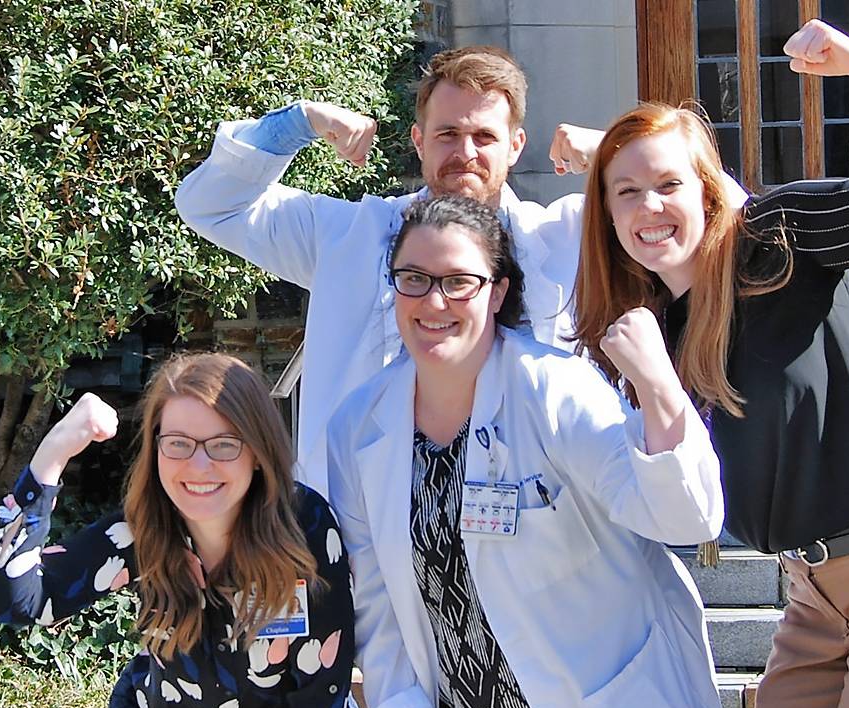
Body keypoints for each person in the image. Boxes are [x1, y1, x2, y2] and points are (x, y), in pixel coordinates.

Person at [572, 19, 849, 708]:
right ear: (603, 214)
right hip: (817, 596)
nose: (648, 207)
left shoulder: (776, 239)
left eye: (667, 184)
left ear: (709, 192)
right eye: (625, 192)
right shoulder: (645, 327)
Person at [327, 195, 725, 708]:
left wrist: (658, 388)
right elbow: (380, 613)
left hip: (610, 698)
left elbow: (685, 518)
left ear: (497, 293)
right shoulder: (358, 428)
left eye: (458, 282)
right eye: (414, 279)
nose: (434, 301)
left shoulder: (555, 390)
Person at [173, 45, 616, 498]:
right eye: (447, 133)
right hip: (369, 525)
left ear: (515, 146)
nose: (465, 152)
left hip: (533, 525)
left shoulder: (566, 239)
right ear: (419, 141)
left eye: (484, 136)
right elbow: (211, 204)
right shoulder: (348, 238)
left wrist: (613, 153)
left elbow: (682, 216)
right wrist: (299, 122)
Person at [0, 353, 355, 708]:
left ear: (257, 453)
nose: (199, 465)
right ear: (156, 450)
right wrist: (54, 453)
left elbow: (323, 695)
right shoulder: (143, 532)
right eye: (178, 444)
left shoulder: (304, 526)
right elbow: (11, 601)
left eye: (224, 444)